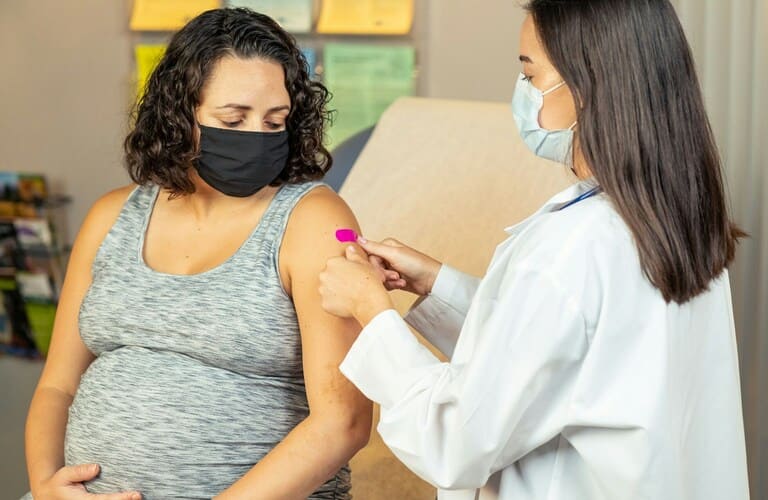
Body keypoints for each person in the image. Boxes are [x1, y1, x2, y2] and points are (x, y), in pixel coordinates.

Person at [317, 0, 750, 499]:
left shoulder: (571, 248)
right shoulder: (671, 220)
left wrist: (372, 313)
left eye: (531, 73)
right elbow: (564, 355)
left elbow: (455, 441)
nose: (521, 92)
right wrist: (438, 284)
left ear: (589, 86)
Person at [24, 8, 371, 500]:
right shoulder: (111, 216)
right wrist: (44, 486)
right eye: (233, 118)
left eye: (275, 121)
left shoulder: (315, 221)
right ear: (179, 114)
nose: (257, 136)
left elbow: (345, 424)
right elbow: (58, 385)